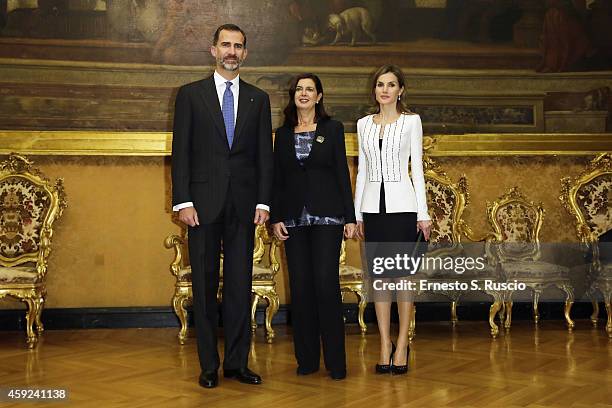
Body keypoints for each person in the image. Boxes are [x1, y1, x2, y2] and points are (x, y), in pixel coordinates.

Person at [171, 24, 273, 389]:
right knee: (203, 285)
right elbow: (180, 153)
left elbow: (265, 155)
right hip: (200, 205)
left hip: (244, 206)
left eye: (238, 46)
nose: (232, 51)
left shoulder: (258, 99)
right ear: (213, 50)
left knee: (239, 286)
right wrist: (182, 201)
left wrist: (263, 200)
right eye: (225, 45)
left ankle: (236, 363)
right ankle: (208, 366)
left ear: (245, 53)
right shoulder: (190, 95)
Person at [271, 73, 356, 381]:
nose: (303, 93)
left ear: (319, 96)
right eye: (299, 89)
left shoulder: (332, 129)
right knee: (302, 288)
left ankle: (337, 363)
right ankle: (306, 360)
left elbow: (341, 174)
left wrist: (350, 217)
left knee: (325, 285)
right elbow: (276, 179)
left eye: (309, 89)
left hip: (328, 218)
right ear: (293, 96)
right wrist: (275, 217)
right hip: (292, 219)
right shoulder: (281, 134)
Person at [354, 64, 432, 375]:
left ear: (400, 90)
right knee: (380, 280)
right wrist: (357, 213)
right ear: (374, 91)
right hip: (373, 211)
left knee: (402, 279)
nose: (384, 89)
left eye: (391, 84)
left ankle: (402, 344)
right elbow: (361, 171)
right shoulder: (363, 124)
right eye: (380, 85)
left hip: (404, 208)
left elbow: (419, 170)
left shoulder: (412, 122)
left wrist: (423, 214)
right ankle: (384, 343)